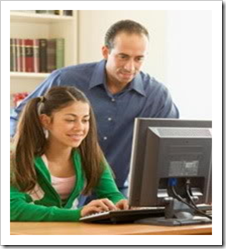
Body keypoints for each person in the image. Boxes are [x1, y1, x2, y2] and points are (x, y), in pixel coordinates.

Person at [10, 19, 179, 199]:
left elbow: (171, 146)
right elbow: (19, 119)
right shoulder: (66, 78)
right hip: (60, 190)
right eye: (123, 56)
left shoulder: (157, 96)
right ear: (106, 52)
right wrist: (18, 163)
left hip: (115, 191)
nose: (130, 67)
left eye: (138, 59)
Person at [10, 86, 128, 221]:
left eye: (85, 120)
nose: (80, 128)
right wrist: (76, 214)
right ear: (46, 121)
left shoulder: (90, 153)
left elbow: (111, 193)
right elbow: (11, 208)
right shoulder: (19, 155)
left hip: (68, 231)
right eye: (70, 120)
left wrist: (120, 203)